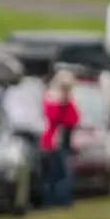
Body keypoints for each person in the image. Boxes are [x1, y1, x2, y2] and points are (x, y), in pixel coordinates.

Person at [41, 69, 81, 209]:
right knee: (55, 174)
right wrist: (62, 105)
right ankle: (53, 201)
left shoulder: (67, 101)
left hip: (63, 142)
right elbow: (52, 118)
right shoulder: (51, 98)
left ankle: (62, 201)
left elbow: (74, 119)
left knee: (62, 173)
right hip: (52, 143)